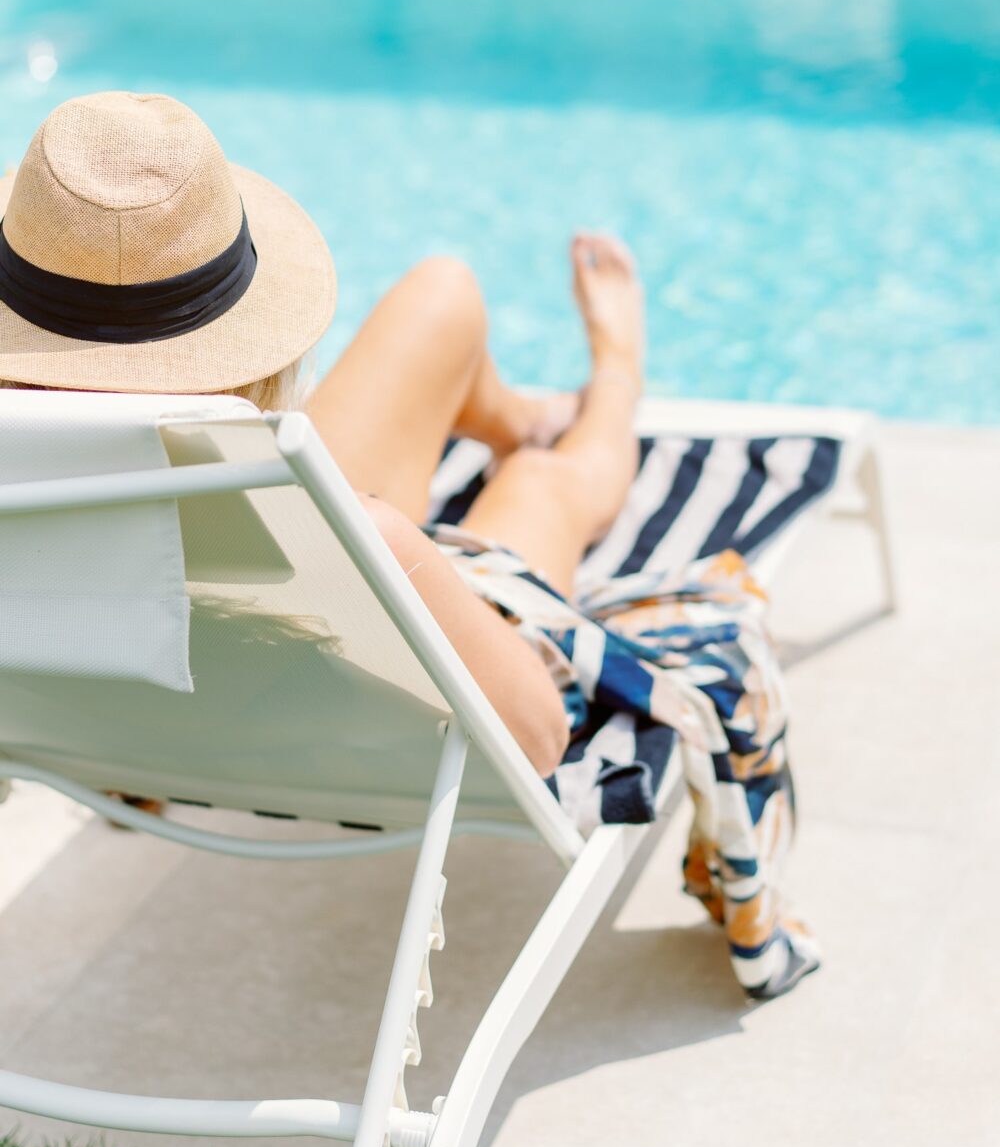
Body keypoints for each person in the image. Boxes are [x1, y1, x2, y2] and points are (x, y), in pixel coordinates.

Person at [0, 92, 817, 999]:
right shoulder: (368, 540)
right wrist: (420, 560)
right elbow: (539, 743)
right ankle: (613, 375)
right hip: (339, 666)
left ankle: (516, 424)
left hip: (168, 690)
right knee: (545, 490)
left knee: (442, 294)